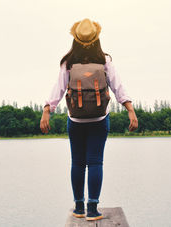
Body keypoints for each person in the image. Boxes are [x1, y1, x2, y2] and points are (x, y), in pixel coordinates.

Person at [40, 18, 138, 221]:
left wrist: (47, 111)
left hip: (75, 121)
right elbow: (118, 87)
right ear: (96, 39)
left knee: (77, 163)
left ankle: (78, 207)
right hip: (99, 119)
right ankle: (92, 209)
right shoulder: (104, 61)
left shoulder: (68, 63)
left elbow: (57, 89)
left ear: (75, 39)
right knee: (95, 162)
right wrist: (130, 110)